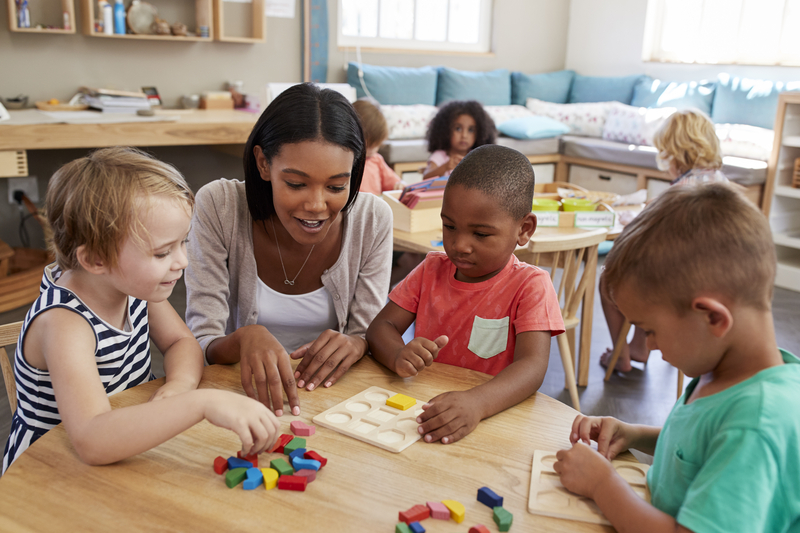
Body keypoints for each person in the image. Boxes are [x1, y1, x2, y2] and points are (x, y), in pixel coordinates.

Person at [2, 148, 280, 474]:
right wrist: (201, 403)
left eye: (183, 242)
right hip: (51, 471)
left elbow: (181, 343)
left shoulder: (131, 286)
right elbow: (92, 438)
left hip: (125, 443)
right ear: (95, 260)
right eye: (162, 253)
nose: (183, 261)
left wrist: (179, 386)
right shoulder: (65, 324)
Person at [554, 183, 800, 533]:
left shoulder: (756, 425)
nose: (650, 346)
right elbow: (702, 446)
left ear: (713, 318)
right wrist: (635, 434)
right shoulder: (725, 368)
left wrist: (601, 485)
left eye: (649, 330)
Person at [185, 84, 393, 417]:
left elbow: (365, 333)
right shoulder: (219, 206)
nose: (316, 205)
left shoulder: (371, 218)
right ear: (263, 164)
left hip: (335, 403)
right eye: (296, 184)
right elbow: (199, 341)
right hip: (237, 400)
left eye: (337, 186)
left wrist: (358, 343)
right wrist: (242, 339)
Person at [367, 145, 565, 444]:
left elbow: (532, 367)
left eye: (481, 234)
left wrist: (477, 403)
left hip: (492, 418)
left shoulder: (530, 285)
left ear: (524, 229)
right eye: (449, 226)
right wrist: (398, 354)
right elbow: (381, 327)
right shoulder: (430, 269)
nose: (460, 244)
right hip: (425, 410)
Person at [600, 108, 729, 373]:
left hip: (676, 287)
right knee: (645, 270)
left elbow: (641, 233)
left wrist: (629, 219)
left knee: (610, 279)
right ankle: (639, 348)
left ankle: (621, 355)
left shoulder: (679, 194)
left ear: (676, 154)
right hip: (714, 284)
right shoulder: (723, 185)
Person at [422, 100, 496, 180]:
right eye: (458, 129)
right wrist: (445, 167)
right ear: (445, 130)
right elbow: (426, 177)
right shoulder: (440, 156)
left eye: (471, 130)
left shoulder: (477, 156)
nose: (464, 135)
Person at [352, 98, 404, 195]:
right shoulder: (346, 162)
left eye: (376, 145)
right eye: (368, 146)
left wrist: (399, 185)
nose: (372, 151)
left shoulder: (376, 159)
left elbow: (394, 182)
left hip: (374, 208)